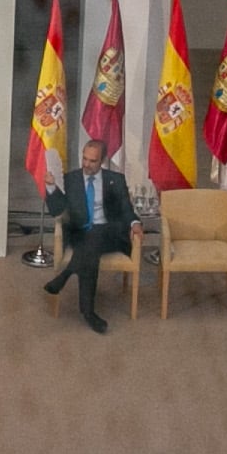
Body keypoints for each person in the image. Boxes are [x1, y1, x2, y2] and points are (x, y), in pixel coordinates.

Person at [44, 135, 135, 332]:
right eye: (84, 158)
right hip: (81, 235)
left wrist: (135, 223)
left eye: (92, 161)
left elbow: (126, 209)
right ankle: (88, 313)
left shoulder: (115, 180)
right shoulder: (70, 180)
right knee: (89, 251)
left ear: (102, 161)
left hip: (110, 234)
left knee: (95, 236)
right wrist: (51, 186)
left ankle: (66, 273)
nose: (86, 164)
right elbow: (56, 210)